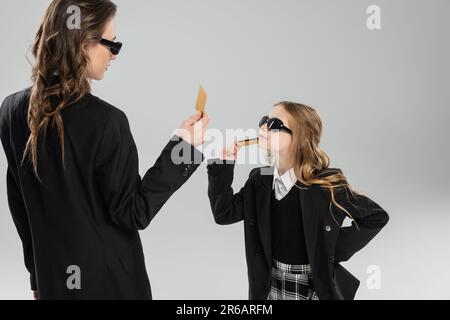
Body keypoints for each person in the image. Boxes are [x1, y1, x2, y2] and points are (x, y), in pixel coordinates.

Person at [0, 0, 208, 299]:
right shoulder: (106, 121)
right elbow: (133, 212)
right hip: (110, 285)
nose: (114, 54)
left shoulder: (10, 111)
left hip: (55, 281)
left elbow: (20, 205)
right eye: (112, 43)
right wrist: (182, 150)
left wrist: (37, 274)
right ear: (83, 43)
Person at [206, 101, 389, 300]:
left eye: (275, 124)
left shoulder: (326, 185)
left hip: (312, 285)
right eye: (264, 120)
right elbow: (223, 213)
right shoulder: (259, 179)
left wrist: (330, 248)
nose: (263, 126)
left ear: (299, 138)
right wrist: (222, 166)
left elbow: (376, 217)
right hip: (270, 282)